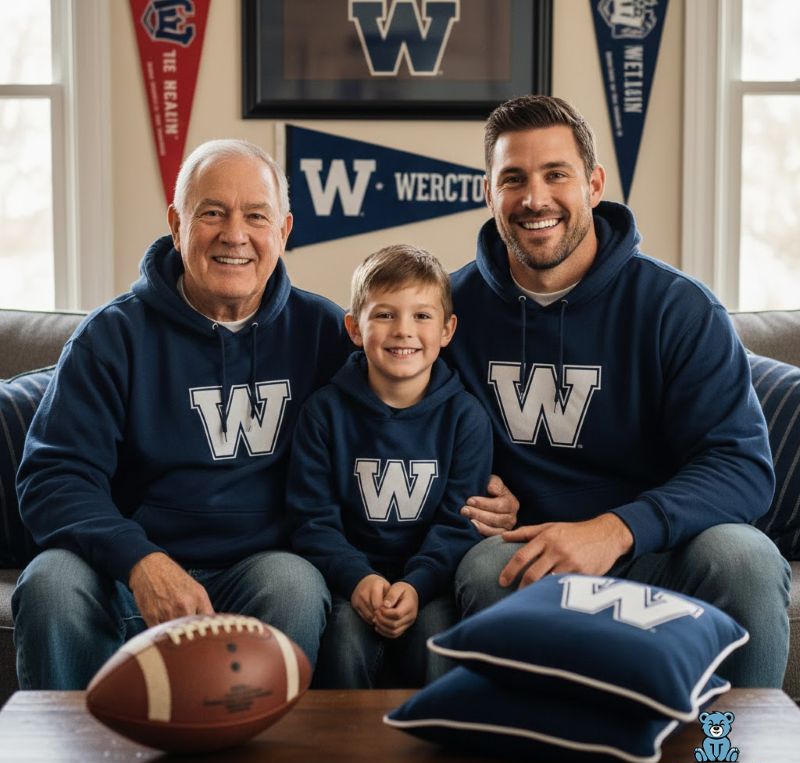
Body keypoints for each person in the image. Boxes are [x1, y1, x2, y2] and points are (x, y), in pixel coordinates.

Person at [447, 95, 791, 687]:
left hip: (667, 547)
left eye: (556, 174)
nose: (535, 199)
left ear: (593, 183)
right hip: (537, 549)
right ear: (489, 194)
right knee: (486, 570)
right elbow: (392, 428)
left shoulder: (677, 308)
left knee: (744, 556)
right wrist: (470, 488)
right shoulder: (448, 313)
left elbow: (742, 467)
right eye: (513, 179)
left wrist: (615, 529)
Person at [12, 139, 353, 689]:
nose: (234, 235)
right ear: (177, 223)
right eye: (212, 212)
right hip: (125, 573)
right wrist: (140, 561)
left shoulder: (324, 334)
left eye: (255, 216)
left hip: (259, 570)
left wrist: (481, 481)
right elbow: (54, 477)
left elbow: (404, 425)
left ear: (284, 231)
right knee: (51, 582)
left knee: (293, 582)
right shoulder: (111, 338)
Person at [288, 245, 492, 687]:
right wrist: (357, 578)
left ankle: (438, 750)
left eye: (422, 316)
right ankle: (345, 756)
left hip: (431, 584)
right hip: (349, 580)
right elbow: (311, 519)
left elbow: (461, 523)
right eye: (384, 315)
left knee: (438, 638)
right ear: (354, 328)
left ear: (447, 329)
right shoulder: (323, 413)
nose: (403, 331)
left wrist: (418, 585)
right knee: (342, 639)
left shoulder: (467, 419)